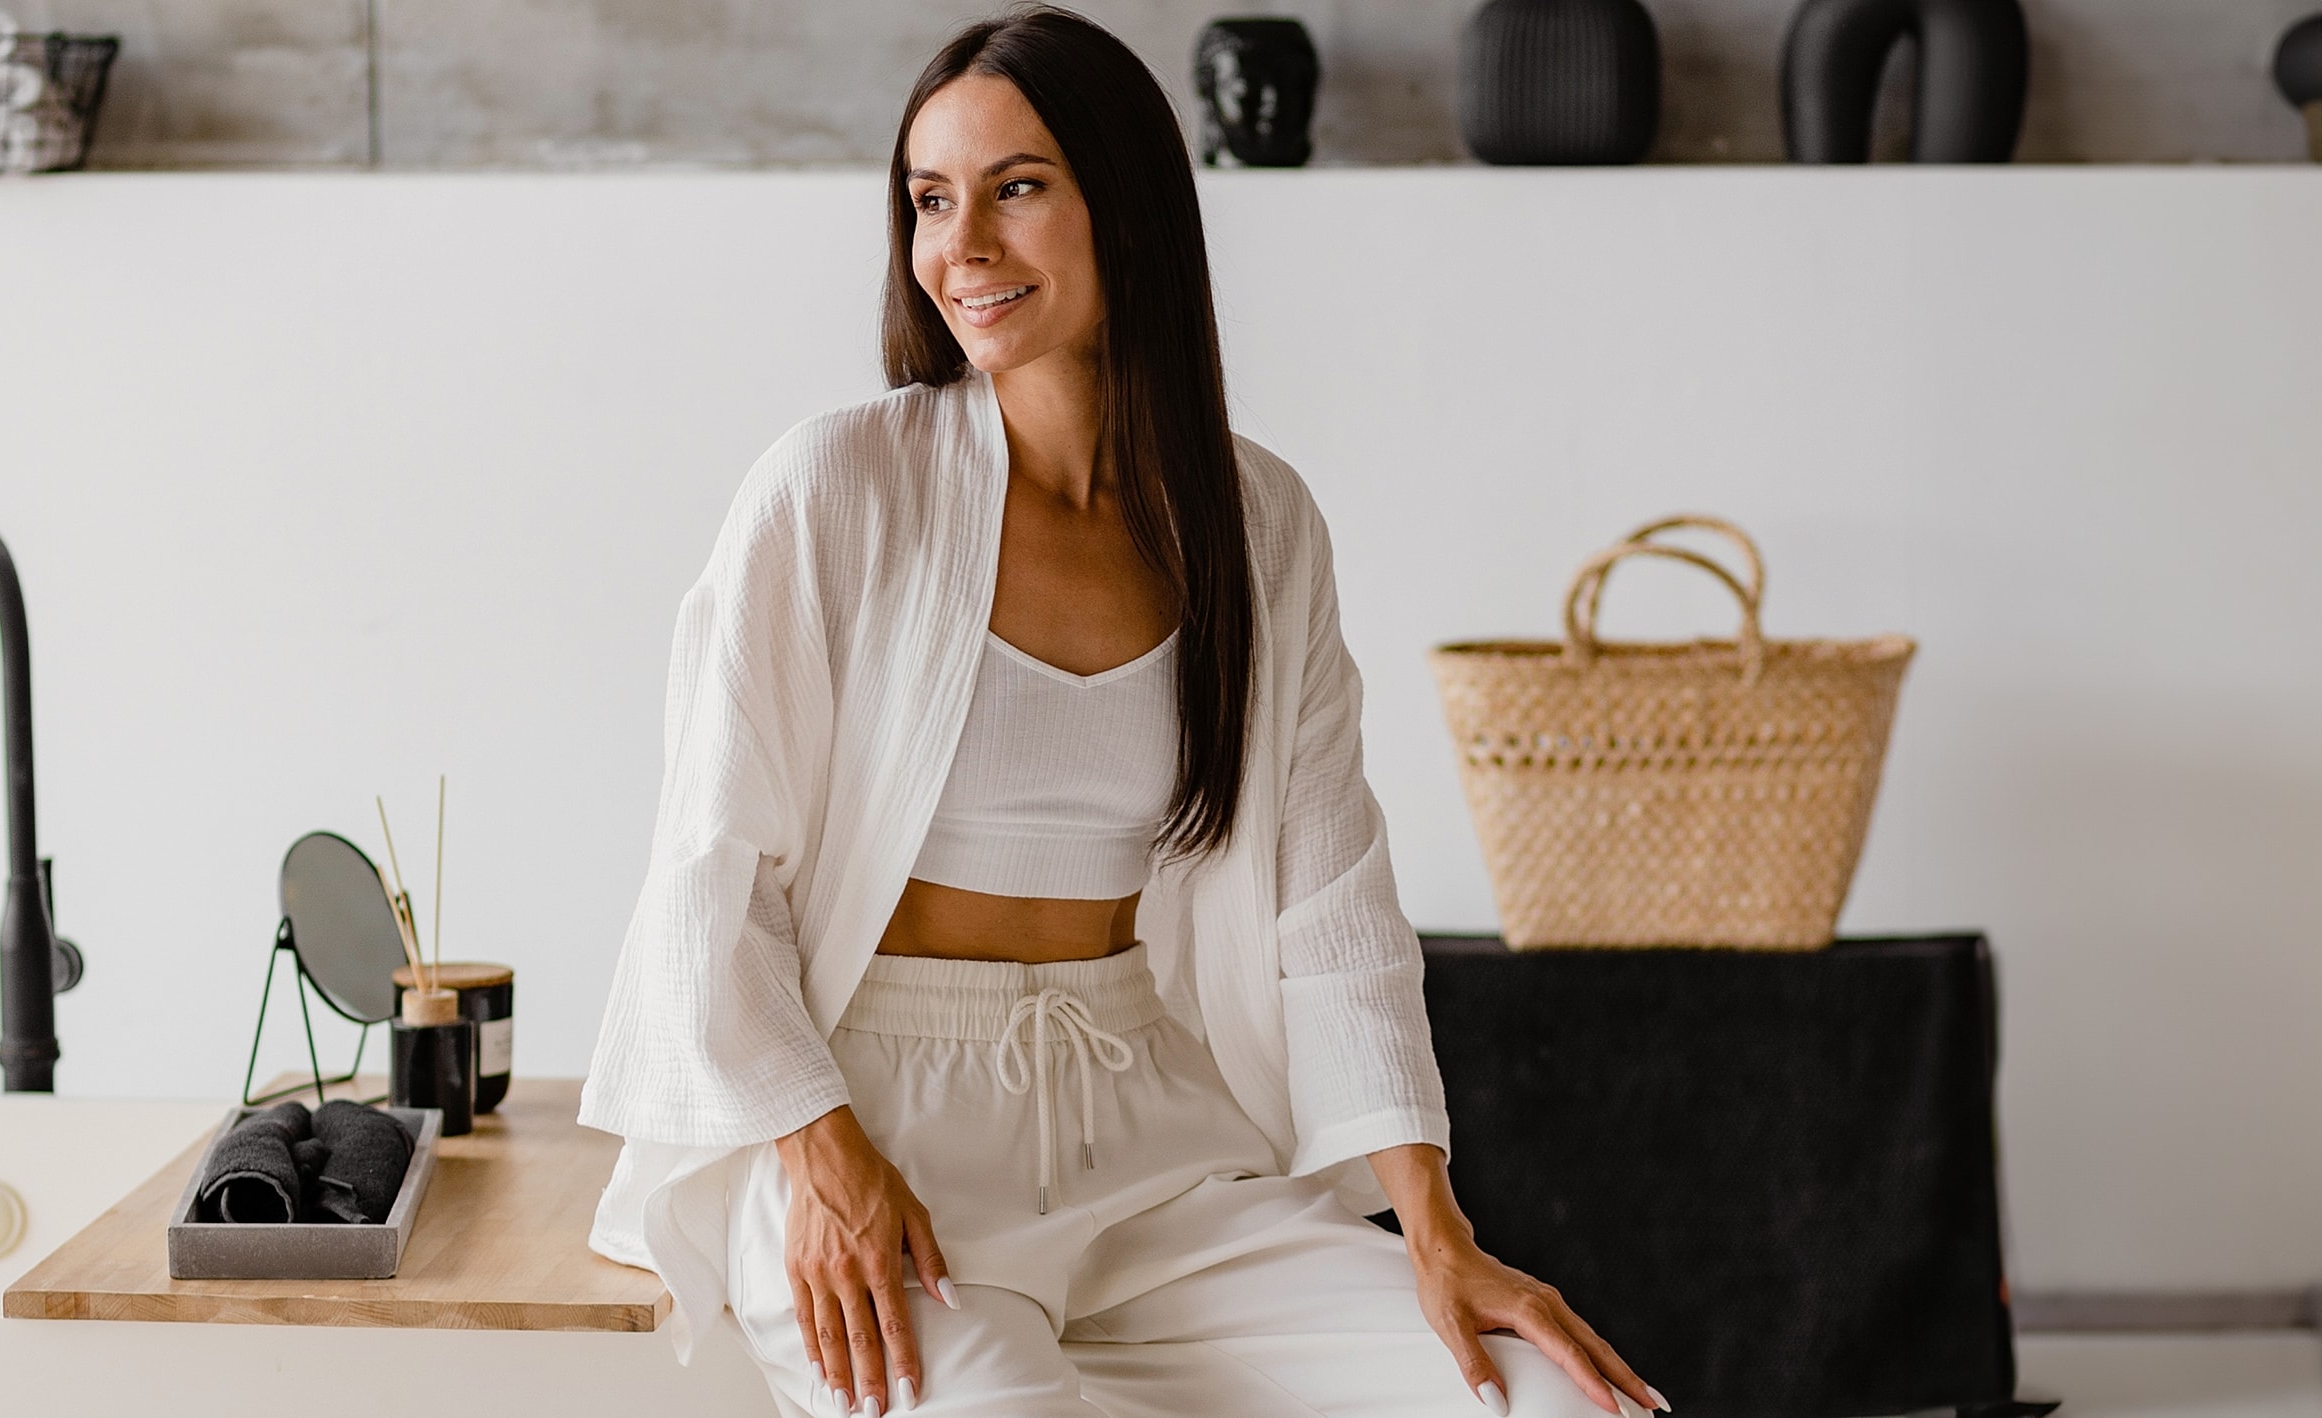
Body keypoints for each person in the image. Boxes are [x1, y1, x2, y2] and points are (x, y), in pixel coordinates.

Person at [579, 8, 1666, 1417]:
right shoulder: (836, 487)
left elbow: (1332, 904)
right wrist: (824, 1161)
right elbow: (709, 874)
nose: (960, 244)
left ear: (1127, 207)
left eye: (1016, 188)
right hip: (879, 1139)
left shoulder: (1256, 521)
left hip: (1144, 1132)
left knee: (1553, 1401)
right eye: (928, 199)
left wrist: (1436, 1228)